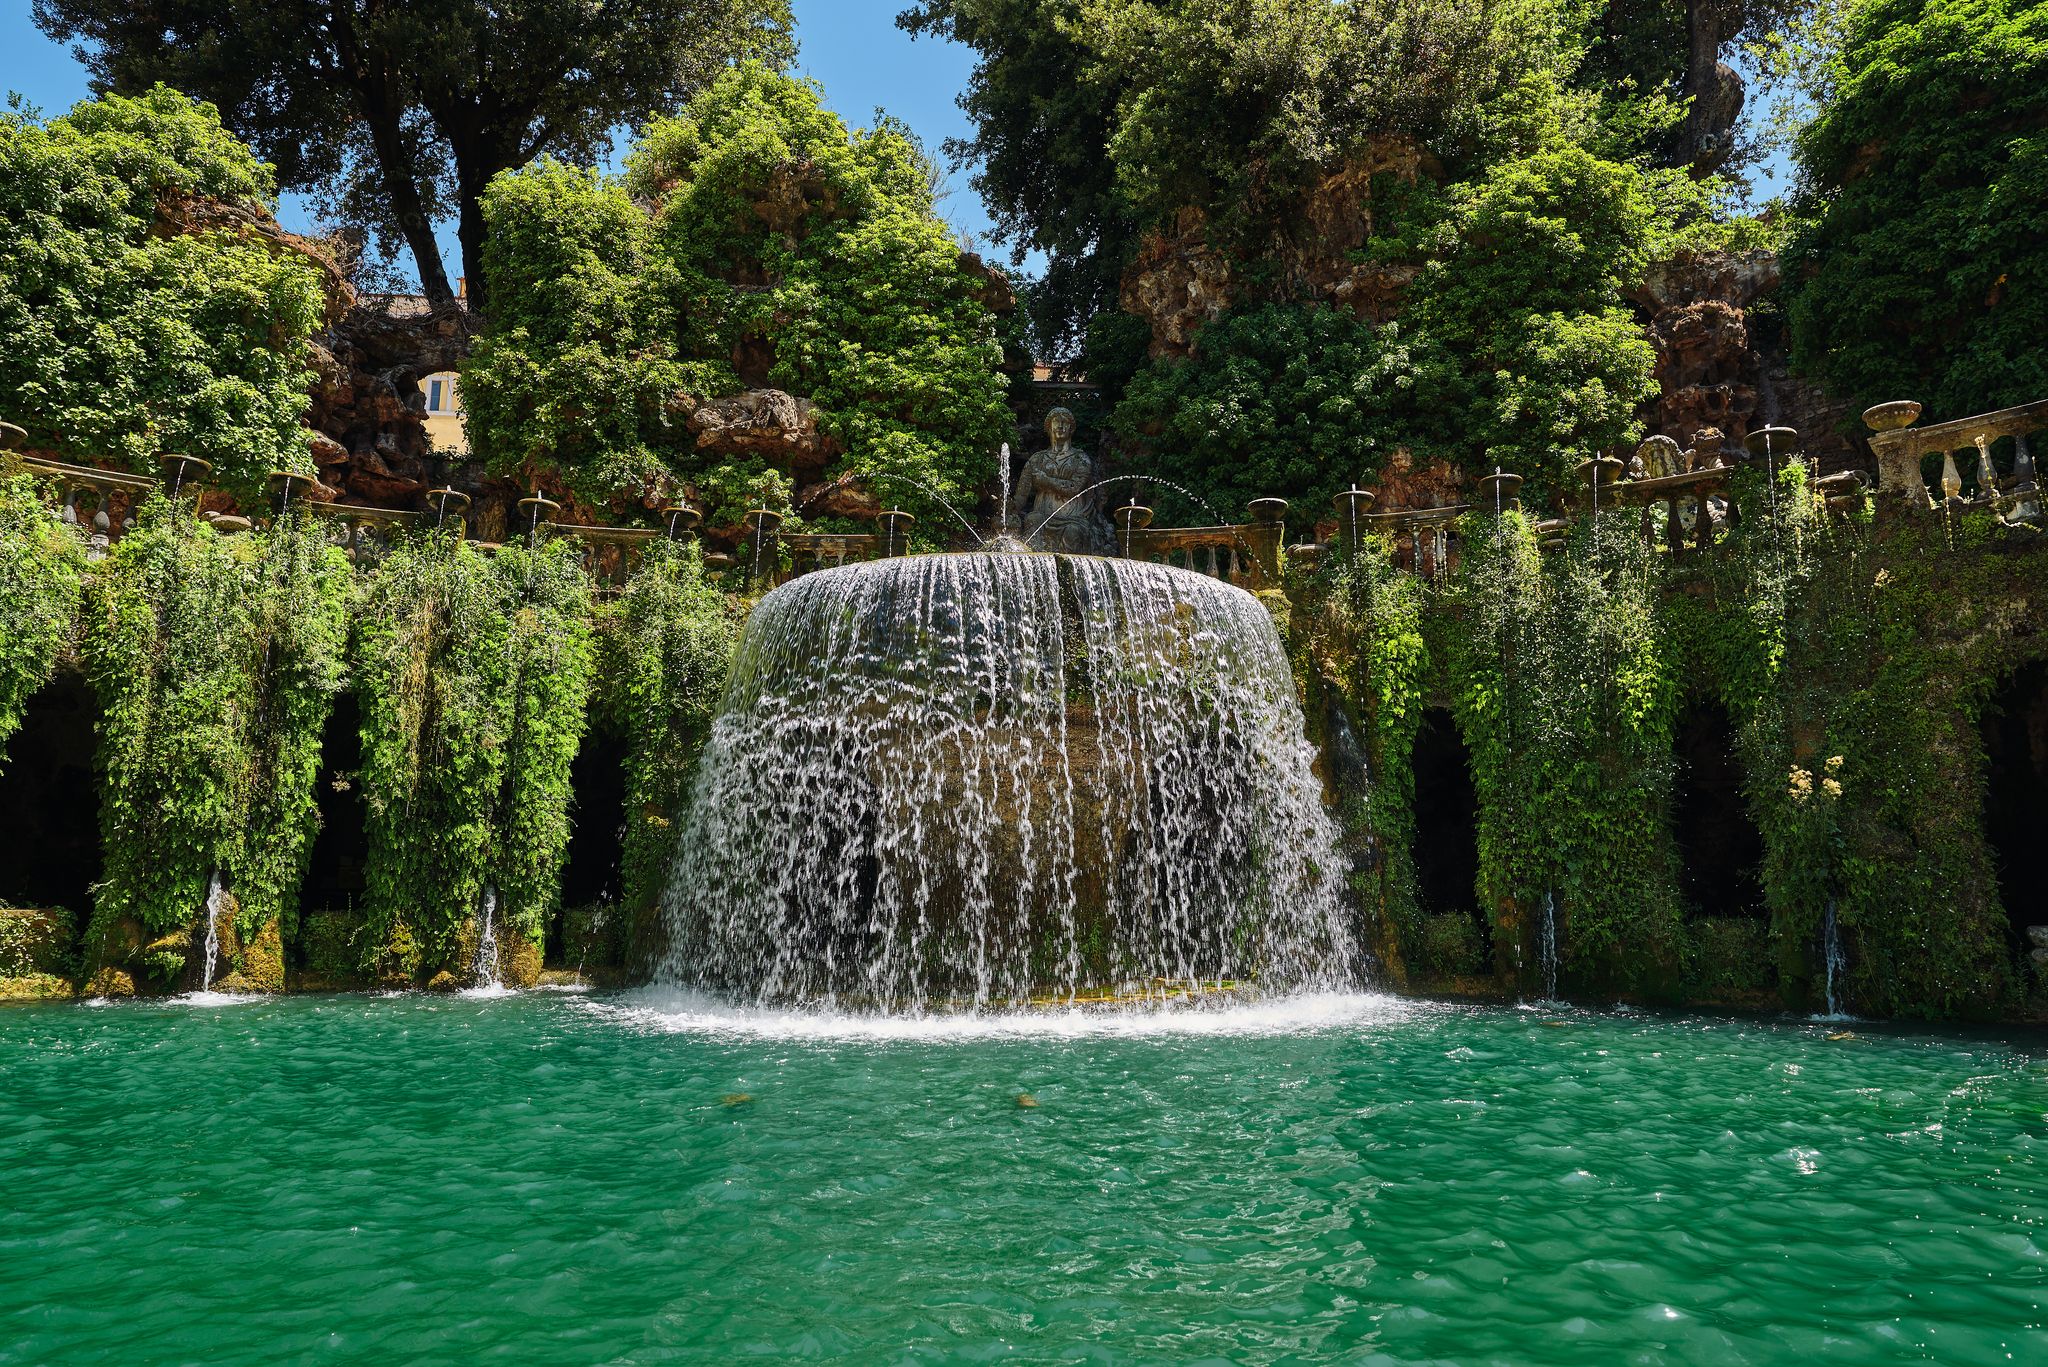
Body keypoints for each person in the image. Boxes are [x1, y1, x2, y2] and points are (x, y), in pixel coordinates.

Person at [1005, 407, 1115, 554]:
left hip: (1073, 519)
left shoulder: (1081, 459)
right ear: (1049, 427)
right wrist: (1010, 508)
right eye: (1057, 421)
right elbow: (1021, 496)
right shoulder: (1037, 459)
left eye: (1065, 422)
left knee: (1073, 531)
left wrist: (1046, 480)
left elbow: (1073, 489)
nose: (1061, 426)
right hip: (1042, 516)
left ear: (1071, 429)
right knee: (1032, 520)